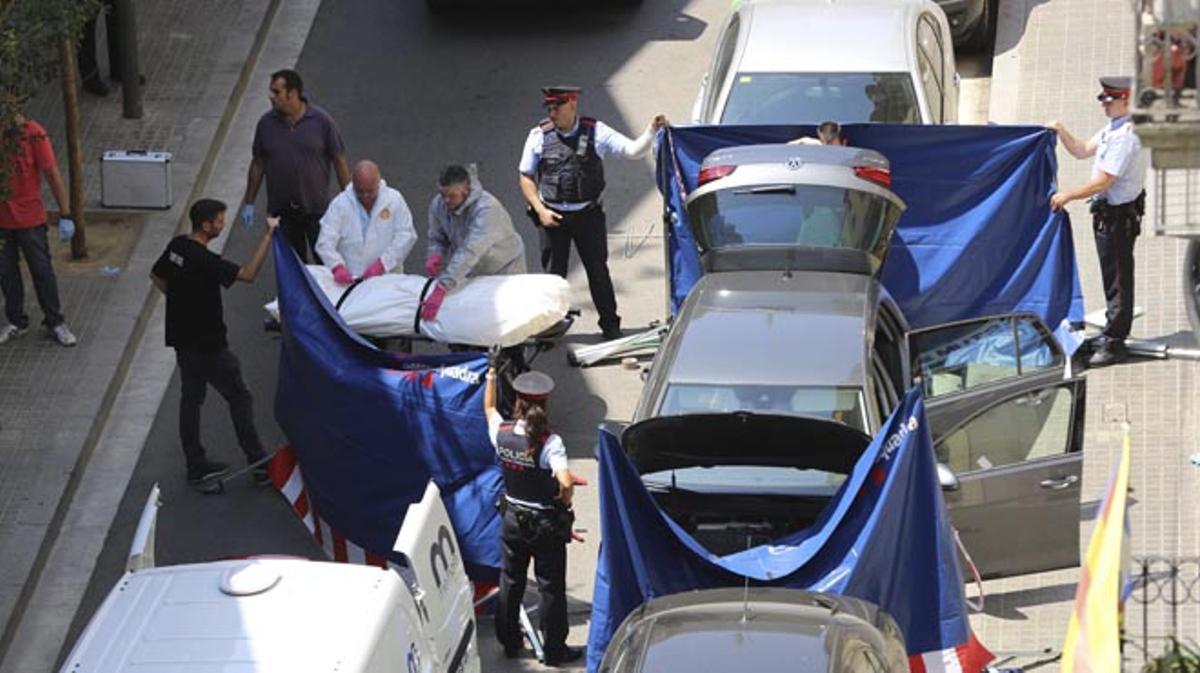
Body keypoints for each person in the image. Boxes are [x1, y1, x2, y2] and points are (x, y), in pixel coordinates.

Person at [519, 85, 668, 341]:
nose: (552, 113)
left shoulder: (596, 131)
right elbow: (525, 175)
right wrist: (540, 210)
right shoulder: (538, 136)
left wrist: (652, 130)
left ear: (572, 104)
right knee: (554, 276)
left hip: (588, 215)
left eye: (558, 107)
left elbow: (632, 151)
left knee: (597, 271)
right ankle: (551, 325)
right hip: (552, 217)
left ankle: (610, 325)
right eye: (549, 108)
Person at [150, 199, 278, 486]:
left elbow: (156, 275)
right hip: (210, 346)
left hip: (183, 342)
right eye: (219, 220)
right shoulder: (205, 261)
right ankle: (258, 462)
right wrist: (268, 236)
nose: (222, 224)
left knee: (191, 399)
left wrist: (180, 301)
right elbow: (248, 274)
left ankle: (196, 464)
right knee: (239, 397)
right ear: (206, 225)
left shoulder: (177, 247)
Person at [484, 366, 586, 666]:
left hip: (513, 518)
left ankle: (510, 642)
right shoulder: (549, 442)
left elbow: (489, 407)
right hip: (544, 524)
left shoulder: (501, 432)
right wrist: (564, 498)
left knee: (511, 580)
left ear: (517, 400)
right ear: (544, 403)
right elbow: (565, 481)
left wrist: (491, 376)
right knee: (550, 587)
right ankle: (554, 649)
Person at [1047, 76, 1147, 366]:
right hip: (1110, 215)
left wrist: (1067, 195)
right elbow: (1081, 150)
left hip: (1117, 218)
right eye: (1102, 98)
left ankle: (1115, 343)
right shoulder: (1114, 128)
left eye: (1109, 99)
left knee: (1118, 280)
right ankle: (1110, 332)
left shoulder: (1126, 135)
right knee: (1112, 278)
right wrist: (1060, 131)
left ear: (1126, 100)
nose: (1103, 103)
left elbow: (1102, 182)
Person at [241, 69, 350, 264]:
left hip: (316, 210)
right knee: (292, 266)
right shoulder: (266, 124)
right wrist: (249, 202)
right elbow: (258, 164)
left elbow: (338, 160)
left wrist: (351, 199)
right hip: (282, 213)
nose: (271, 97)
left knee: (325, 262)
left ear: (292, 93)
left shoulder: (321, 121)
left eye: (276, 92)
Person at [0, 113, 78, 347]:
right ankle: (16, 321)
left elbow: (52, 173)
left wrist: (66, 213)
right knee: (5, 273)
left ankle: (55, 321)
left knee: (42, 271)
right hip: (2, 222)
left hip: (30, 220)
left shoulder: (34, 134)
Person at [420, 164, 526, 321]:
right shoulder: (439, 204)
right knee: (473, 318)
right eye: (443, 194)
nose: (446, 200)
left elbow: (470, 250)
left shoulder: (487, 209)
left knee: (507, 317)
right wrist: (435, 254)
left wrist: (443, 286)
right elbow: (437, 237)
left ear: (466, 190)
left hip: (503, 267)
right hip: (471, 269)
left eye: (451, 196)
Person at [315, 160, 415, 285]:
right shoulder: (340, 204)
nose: (365, 196)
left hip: (388, 277)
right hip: (351, 281)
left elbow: (406, 235)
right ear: (353, 183)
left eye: (370, 191)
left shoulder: (394, 200)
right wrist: (337, 266)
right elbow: (324, 242)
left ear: (378, 183)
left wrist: (384, 264)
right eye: (360, 191)